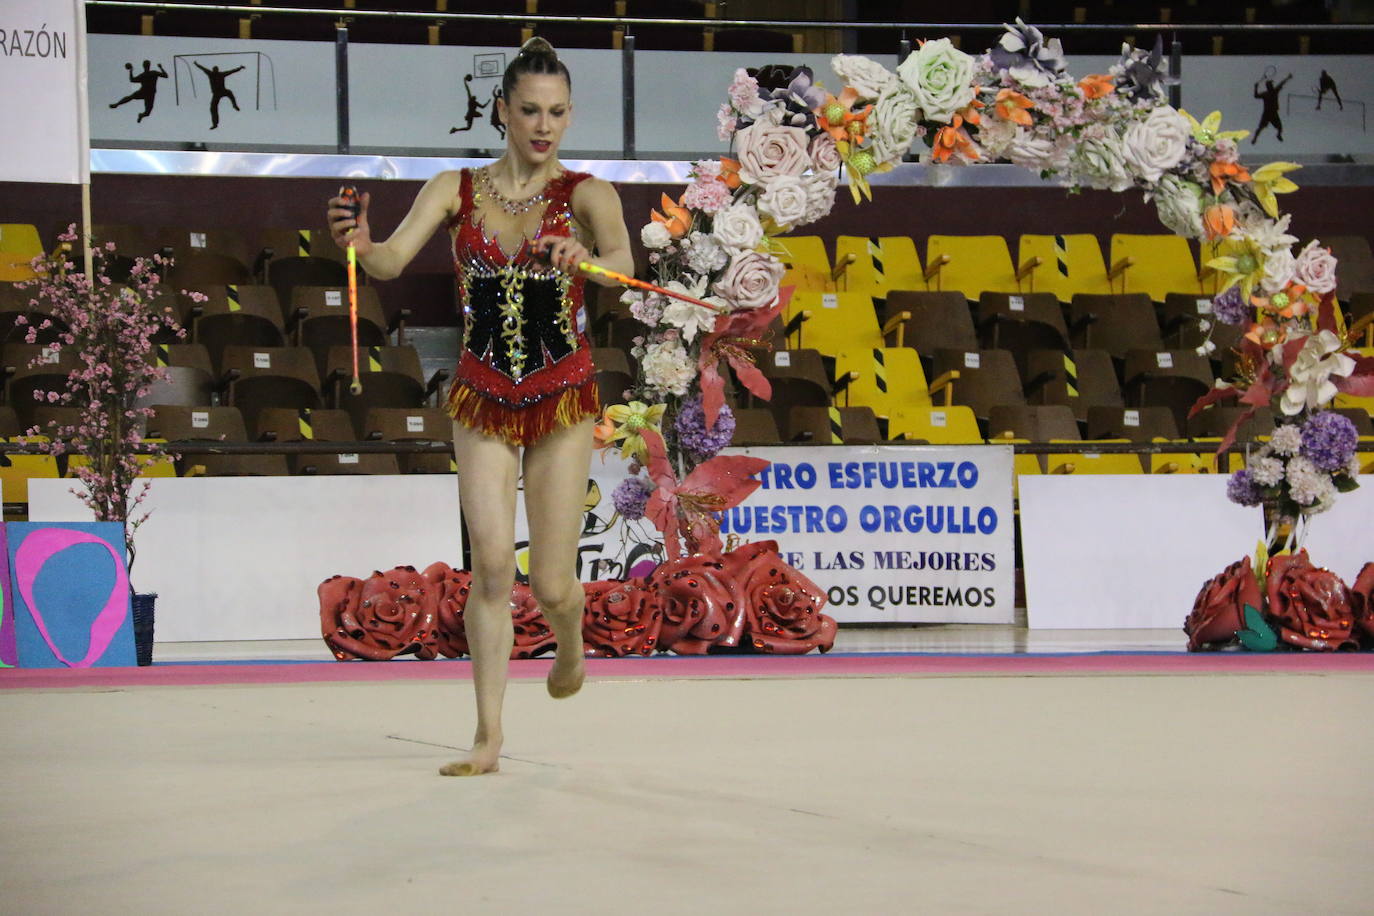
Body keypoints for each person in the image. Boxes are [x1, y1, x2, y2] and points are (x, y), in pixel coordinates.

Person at [327, 38, 633, 777]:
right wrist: (360, 242)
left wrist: (586, 260)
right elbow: (391, 262)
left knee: (553, 583)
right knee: (493, 566)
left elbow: (623, 268)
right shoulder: (453, 186)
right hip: (482, 395)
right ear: (501, 110)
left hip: (562, 395)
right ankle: (488, 736)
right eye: (529, 109)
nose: (544, 124)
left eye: (557, 112)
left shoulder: (588, 194)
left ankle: (569, 636)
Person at [195, 61, 245, 130]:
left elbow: (231, 71)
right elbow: (203, 68)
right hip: (218, 93)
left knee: (229, 94)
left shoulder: (214, 74)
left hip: (220, 92)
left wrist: (239, 68)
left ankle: (234, 105)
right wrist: (197, 64)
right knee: (213, 108)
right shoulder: (214, 74)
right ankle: (215, 124)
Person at [1252, 73, 1292, 143]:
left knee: (1278, 127)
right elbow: (1281, 84)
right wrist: (1288, 78)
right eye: (1271, 85)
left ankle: (1256, 138)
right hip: (1270, 113)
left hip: (1270, 113)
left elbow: (1256, 95)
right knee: (1264, 127)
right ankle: (1255, 138)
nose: (1272, 86)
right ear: (1269, 86)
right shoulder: (1272, 92)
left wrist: (1256, 87)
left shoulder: (1269, 93)